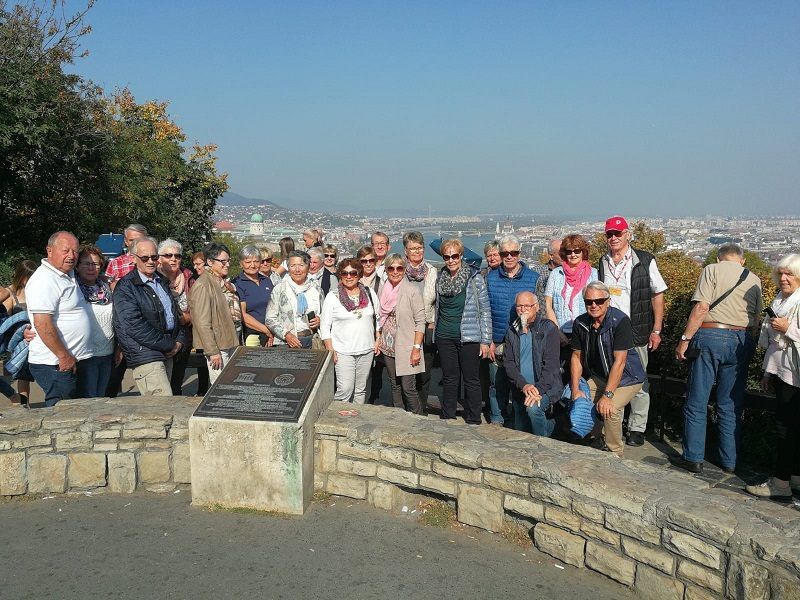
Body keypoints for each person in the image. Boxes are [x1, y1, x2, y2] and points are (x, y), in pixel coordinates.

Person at [672, 243, 762, 474]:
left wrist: (684, 339)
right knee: (730, 403)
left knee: (697, 400)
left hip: (711, 335)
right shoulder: (754, 278)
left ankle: (693, 457)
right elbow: (755, 319)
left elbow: (702, 308)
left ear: (719, 258)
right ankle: (729, 461)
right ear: (742, 260)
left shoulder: (711, 270)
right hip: (741, 339)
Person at [597, 215, 667, 447]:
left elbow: (658, 294)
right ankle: (615, 424)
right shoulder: (602, 262)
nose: (614, 238)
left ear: (628, 235)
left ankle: (637, 427)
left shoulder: (644, 260)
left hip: (637, 329)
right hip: (610, 330)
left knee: (638, 380)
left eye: (618, 233)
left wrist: (657, 329)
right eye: (610, 234)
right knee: (612, 376)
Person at [746, 254, 800, 500]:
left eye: (789, 274)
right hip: (782, 370)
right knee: (791, 426)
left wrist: (788, 329)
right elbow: (773, 343)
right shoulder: (781, 298)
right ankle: (794, 477)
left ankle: (780, 483)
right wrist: (768, 371)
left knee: (786, 428)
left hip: (794, 373)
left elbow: (785, 334)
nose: (784, 278)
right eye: (781, 273)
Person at [571, 281, 646, 457]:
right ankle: (594, 438)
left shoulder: (620, 321)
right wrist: (575, 389)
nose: (594, 305)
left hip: (628, 377)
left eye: (599, 301)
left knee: (609, 409)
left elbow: (620, 362)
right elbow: (576, 357)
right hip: (600, 376)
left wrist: (607, 395)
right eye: (589, 301)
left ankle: (615, 453)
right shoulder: (580, 323)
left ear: (608, 301)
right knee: (578, 400)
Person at [26, 231, 93, 406]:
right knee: (62, 413)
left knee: (77, 411)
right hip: (56, 363)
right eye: (65, 250)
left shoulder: (67, 274)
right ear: (49, 251)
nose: (71, 256)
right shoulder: (44, 280)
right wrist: (63, 356)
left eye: (75, 251)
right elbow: (42, 323)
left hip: (71, 360)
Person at [113, 236, 185, 396]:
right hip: (146, 354)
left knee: (166, 402)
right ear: (133, 259)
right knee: (162, 402)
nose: (151, 261)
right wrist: (169, 344)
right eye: (145, 258)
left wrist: (179, 341)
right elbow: (134, 325)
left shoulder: (161, 281)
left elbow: (174, 315)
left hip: (167, 350)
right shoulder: (126, 287)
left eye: (154, 257)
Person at [435, 238, 492, 425]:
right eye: (447, 257)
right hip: (445, 335)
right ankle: (448, 415)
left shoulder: (475, 278)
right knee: (449, 378)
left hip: (469, 336)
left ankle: (474, 417)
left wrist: (485, 340)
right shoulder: (440, 277)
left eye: (454, 256)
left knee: (471, 379)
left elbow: (484, 310)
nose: (451, 260)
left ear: (461, 256)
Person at [486, 235, 539, 427]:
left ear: (519, 253)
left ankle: (520, 420)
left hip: (523, 339)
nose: (509, 257)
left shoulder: (533, 278)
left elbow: (538, 310)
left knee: (521, 382)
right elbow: (485, 311)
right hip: (498, 338)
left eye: (513, 253)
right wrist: (488, 340)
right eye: (505, 253)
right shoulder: (490, 279)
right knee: (496, 382)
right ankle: (497, 416)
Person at [320, 258, 381, 404]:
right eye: (345, 273)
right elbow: (325, 326)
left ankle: (357, 416)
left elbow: (377, 318)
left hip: (366, 349)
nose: (349, 276)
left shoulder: (370, 293)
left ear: (359, 274)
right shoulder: (332, 297)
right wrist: (330, 350)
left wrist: (378, 338)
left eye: (353, 273)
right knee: (345, 389)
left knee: (361, 390)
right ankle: (337, 415)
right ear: (340, 275)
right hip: (343, 351)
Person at [503, 291, 561, 436]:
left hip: (545, 387)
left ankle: (543, 441)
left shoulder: (548, 329)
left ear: (536, 307)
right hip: (521, 388)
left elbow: (552, 366)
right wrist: (524, 385)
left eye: (527, 306)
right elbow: (509, 363)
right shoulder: (512, 331)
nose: (523, 309)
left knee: (533, 409)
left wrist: (538, 390)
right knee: (521, 433)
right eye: (519, 306)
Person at [545, 234, 598, 383]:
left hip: (585, 333)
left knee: (584, 377)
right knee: (561, 377)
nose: (573, 255)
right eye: (569, 251)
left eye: (577, 251)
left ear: (583, 252)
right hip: (561, 334)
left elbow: (597, 305)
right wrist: (557, 332)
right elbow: (548, 305)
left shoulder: (593, 274)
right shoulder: (556, 274)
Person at [378, 254, 426, 413]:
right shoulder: (383, 288)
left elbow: (420, 322)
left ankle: (417, 419)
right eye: (391, 268)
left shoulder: (412, 290)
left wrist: (416, 348)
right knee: (394, 385)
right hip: (388, 345)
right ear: (386, 270)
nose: (395, 271)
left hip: (407, 346)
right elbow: (379, 316)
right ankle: (399, 418)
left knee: (408, 387)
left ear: (404, 270)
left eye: (399, 268)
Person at [190, 243, 240, 384]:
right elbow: (202, 322)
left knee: (229, 384)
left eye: (229, 260)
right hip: (218, 345)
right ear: (210, 262)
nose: (227, 264)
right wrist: (212, 351)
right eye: (223, 261)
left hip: (230, 340)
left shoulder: (222, 282)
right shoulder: (203, 285)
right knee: (220, 386)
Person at [403, 231, 438, 411]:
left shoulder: (432, 271)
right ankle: (406, 409)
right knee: (406, 372)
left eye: (419, 248)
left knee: (424, 374)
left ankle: (421, 409)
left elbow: (437, 301)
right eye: (413, 248)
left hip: (426, 327)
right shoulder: (398, 270)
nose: (417, 251)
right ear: (406, 251)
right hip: (405, 329)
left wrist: (433, 325)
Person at [157, 239, 196, 395]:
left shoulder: (189, 278)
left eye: (177, 256)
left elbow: (199, 307)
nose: (173, 259)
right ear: (159, 258)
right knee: (160, 386)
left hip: (184, 335)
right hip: (160, 337)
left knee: (177, 381)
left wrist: (189, 317)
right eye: (168, 255)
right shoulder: (153, 278)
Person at [75, 246, 115, 398]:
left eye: (96, 264)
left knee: (102, 397)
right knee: (89, 398)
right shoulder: (73, 289)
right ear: (77, 266)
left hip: (107, 353)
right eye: (86, 263)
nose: (91, 268)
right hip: (86, 355)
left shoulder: (107, 288)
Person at [265, 251, 323, 348]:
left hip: (313, 341)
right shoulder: (280, 289)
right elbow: (270, 319)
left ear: (308, 267)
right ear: (288, 268)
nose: (297, 270)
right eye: (293, 266)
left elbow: (325, 314)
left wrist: (320, 320)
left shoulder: (316, 289)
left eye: (301, 265)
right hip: (287, 343)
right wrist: (286, 334)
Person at [2, 259, 36, 405]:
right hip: (17, 342)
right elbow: (7, 323)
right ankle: (23, 404)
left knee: (30, 375)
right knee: (22, 376)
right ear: (21, 276)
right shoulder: (10, 293)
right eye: (28, 277)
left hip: (35, 337)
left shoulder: (36, 291)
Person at [233, 245, 275, 348]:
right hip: (252, 335)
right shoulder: (237, 283)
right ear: (241, 264)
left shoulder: (267, 281)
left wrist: (273, 330)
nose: (252, 265)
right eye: (248, 262)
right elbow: (243, 315)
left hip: (273, 333)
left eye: (256, 261)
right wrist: (265, 330)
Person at [105, 224, 148, 288]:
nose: (135, 243)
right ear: (126, 242)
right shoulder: (115, 263)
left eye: (139, 240)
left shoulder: (154, 261)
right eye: (131, 240)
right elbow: (107, 287)